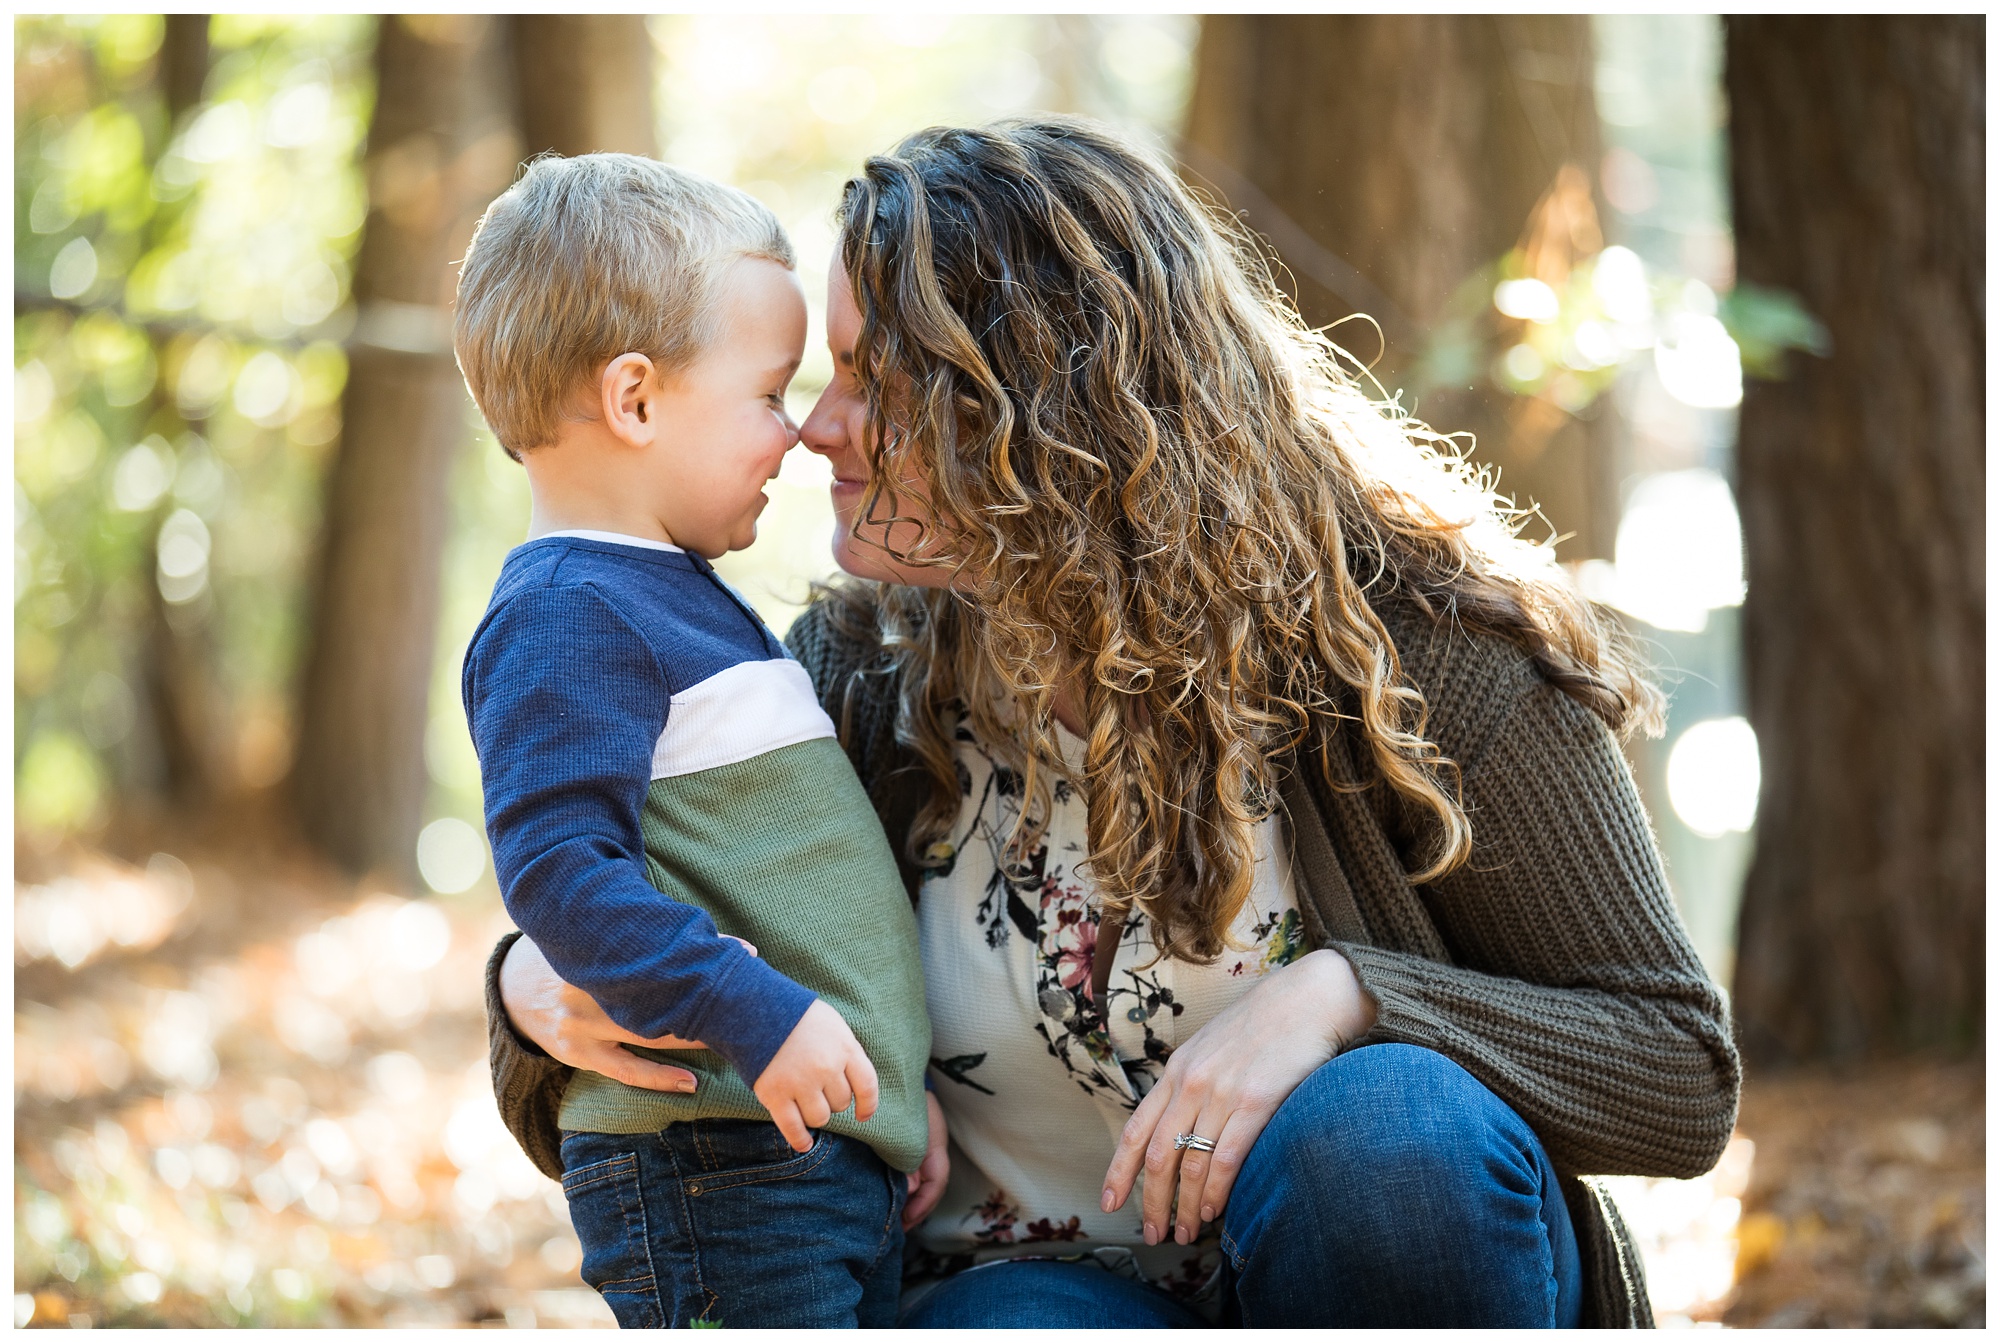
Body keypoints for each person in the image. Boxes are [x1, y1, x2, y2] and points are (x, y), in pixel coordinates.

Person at [485, 119, 1740, 1328]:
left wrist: (1346, 995)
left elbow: (1676, 1068)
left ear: (1042, 410)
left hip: (1365, 1246)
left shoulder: (1415, 655)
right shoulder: (855, 674)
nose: (816, 426)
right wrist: (530, 984)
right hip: (1023, 1283)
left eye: (874, 381)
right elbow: (651, 1030)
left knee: (1387, 1137)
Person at [452, 153, 939, 1328]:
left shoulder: (669, 595)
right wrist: (753, 1009)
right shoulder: (568, 611)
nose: (798, 435)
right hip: (713, 1158)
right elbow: (562, 872)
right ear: (634, 399)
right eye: (769, 394)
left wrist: (891, 1109)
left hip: (798, 1151)